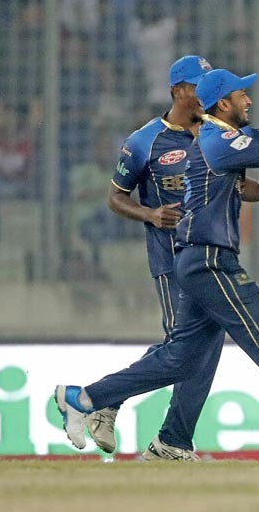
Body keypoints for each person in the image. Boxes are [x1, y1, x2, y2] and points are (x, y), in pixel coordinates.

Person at [55, 61, 259, 462]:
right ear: (223, 103)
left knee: (182, 357)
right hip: (210, 261)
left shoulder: (217, 136)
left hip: (194, 260)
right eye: (243, 94)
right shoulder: (218, 142)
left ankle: (83, 398)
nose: (250, 98)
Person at [79, 55, 227, 460]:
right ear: (178, 89)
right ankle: (147, 426)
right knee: (185, 345)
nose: (207, 93)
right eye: (200, 86)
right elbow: (115, 197)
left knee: (202, 344)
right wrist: (150, 214)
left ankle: (158, 431)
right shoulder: (144, 140)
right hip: (172, 260)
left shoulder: (216, 132)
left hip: (211, 258)